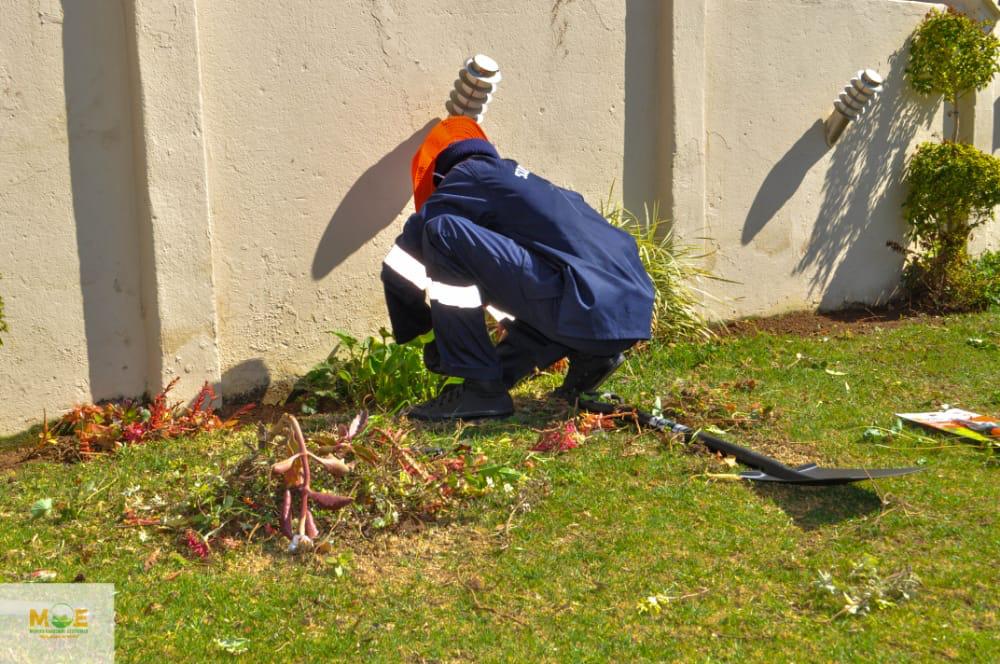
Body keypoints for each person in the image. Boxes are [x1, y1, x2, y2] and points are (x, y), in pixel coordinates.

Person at [381, 117, 654, 421]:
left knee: (441, 232)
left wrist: (428, 336)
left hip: (582, 304)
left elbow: (398, 267)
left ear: (438, 177)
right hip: (623, 313)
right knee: (540, 276)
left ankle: (481, 391)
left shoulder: (465, 176)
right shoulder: (528, 189)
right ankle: (592, 356)